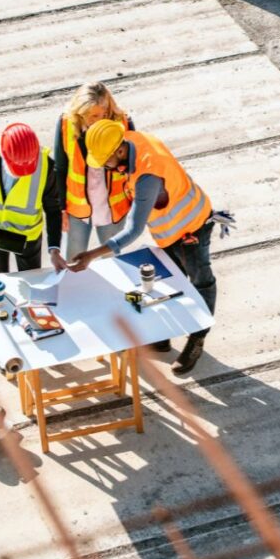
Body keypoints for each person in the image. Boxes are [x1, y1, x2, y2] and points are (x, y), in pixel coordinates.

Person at [67, 119, 216, 374]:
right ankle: (164, 334)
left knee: (201, 281)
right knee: (169, 281)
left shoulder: (147, 174)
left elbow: (133, 230)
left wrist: (92, 255)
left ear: (119, 150)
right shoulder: (133, 139)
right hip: (169, 229)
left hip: (192, 226)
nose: (104, 165)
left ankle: (197, 337)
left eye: (105, 160)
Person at [0, 122, 67, 273]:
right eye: (16, 167)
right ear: (3, 152)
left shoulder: (46, 165)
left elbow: (53, 209)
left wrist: (54, 249)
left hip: (27, 238)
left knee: (31, 283)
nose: (22, 172)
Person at [54, 82, 135, 260]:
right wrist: (61, 209)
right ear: (80, 113)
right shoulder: (65, 124)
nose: (98, 120)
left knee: (114, 262)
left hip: (112, 208)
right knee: (73, 260)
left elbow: (133, 166)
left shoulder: (123, 123)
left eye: (103, 114)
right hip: (78, 209)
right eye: (92, 116)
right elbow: (60, 168)